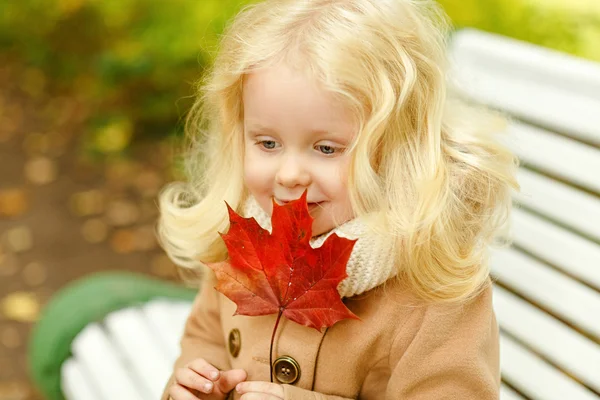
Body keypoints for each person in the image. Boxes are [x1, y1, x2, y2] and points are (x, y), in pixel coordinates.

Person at [158, 0, 519, 398]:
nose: (289, 174)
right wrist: (195, 385)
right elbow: (205, 336)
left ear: (398, 152)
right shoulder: (244, 242)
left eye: (327, 148)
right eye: (268, 142)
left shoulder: (434, 287)